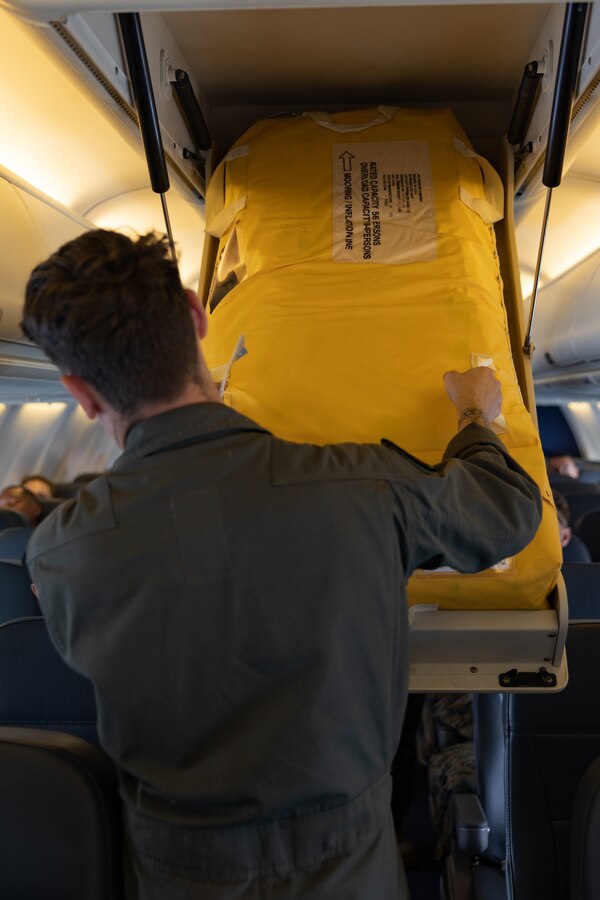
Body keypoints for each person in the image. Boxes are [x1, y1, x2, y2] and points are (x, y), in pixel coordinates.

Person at [22, 229, 542, 900]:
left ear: (81, 393)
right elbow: (506, 512)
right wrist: (475, 414)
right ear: (196, 315)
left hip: (174, 874)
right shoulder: (361, 488)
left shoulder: (60, 554)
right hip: (349, 870)